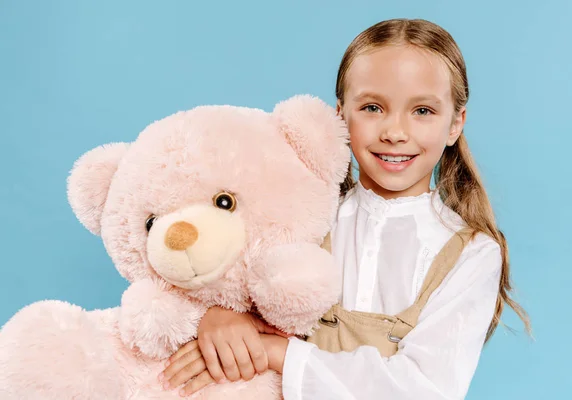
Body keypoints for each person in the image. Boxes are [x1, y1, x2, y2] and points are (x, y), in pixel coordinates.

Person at [158, 18, 530, 399]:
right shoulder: (301, 214)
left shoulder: (472, 254)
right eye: (372, 107)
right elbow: (214, 283)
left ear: (456, 123)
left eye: (422, 111)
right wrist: (218, 316)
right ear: (340, 115)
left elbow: (422, 389)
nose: (395, 131)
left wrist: (279, 353)